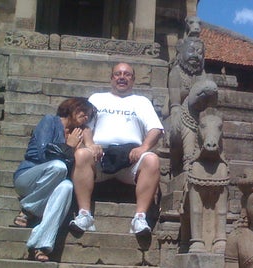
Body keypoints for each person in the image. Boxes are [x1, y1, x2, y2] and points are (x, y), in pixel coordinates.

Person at [70, 62, 164, 235]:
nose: (122, 77)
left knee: (152, 159)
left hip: (131, 158)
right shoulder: (97, 98)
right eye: (118, 74)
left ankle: (140, 218)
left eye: (127, 74)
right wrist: (90, 145)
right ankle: (84, 215)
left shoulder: (141, 102)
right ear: (111, 78)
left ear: (133, 80)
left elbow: (156, 129)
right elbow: (85, 125)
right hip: (100, 156)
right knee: (82, 154)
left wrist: (144, 147)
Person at [12, 97, 96, 262]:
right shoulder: (50, 121)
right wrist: (68, 147)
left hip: (51, 185)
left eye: (89, 116)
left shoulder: (76, 136)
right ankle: (29, 210)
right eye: (84, 112)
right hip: (29, 177)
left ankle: (42, 243)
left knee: (67, 187)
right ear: (73, 107)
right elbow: (43, 155)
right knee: (58, 166)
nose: (86, 118)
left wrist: (84, 145)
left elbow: (73, 172)